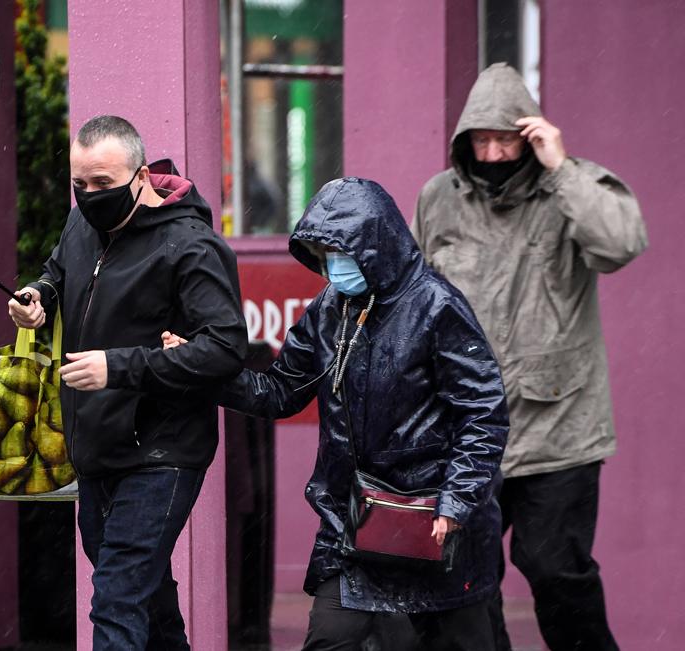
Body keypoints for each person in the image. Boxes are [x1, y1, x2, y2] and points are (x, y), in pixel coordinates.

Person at [166, 177, 509, 651]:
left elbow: (482, 412)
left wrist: (456, 500)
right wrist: (201, 371)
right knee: (330, 640)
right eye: (324, 253)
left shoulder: (436, 306)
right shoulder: (330, 308)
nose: (332, 265)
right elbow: (278, 391)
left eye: (340, 251)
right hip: (355, 525)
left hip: (433, 525)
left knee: (456, 639)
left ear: (375, 246)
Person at [412, 63, 648, 650]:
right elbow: (413, 296)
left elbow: (620, 245)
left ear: (531, 134)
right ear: (464, 139)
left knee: (555, 571)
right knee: (467, 582)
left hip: (558, 427)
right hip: (466, 430)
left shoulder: (573, 185)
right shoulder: (439, 198)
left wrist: (561, 168)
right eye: (480, 140)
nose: (492, 153)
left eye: (505, 138)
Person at [8, 115, 247, 650]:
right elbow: (61, 270)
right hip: (96, 446)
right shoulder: (80, 224)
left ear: (141, 176)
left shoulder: (190, 245)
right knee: (148, 600)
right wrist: (39, 297)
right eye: (80, 185)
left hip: (163, 449)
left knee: (116, 597)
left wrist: (118, 367)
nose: (90, 196)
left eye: (103, 184)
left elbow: (227, 348)